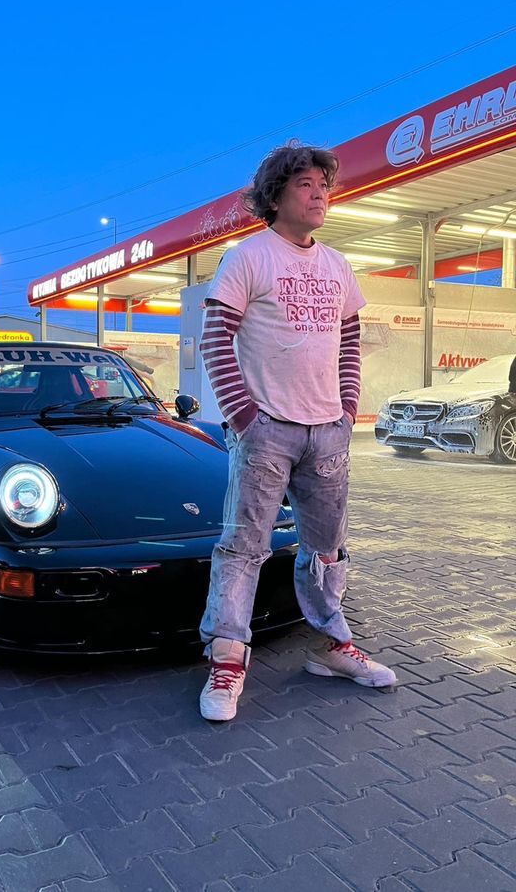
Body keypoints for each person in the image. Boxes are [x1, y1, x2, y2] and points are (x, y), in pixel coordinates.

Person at [198, 142, 396, 722]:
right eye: (307, 185)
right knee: (244, 547)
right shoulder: (249, 257)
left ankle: (335, 647)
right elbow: (215, 338)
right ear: (276, 195)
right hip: (267, 432)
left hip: (328, 432)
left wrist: (345, 408)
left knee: (327, 550)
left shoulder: (336, 265)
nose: (320, 196)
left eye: (325, 187)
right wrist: (245, 419)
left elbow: (351, 341)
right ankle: (227, 659)